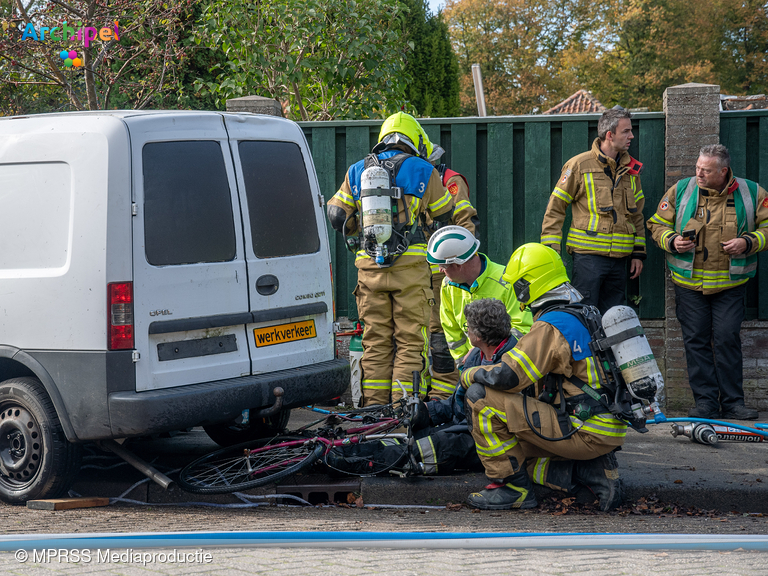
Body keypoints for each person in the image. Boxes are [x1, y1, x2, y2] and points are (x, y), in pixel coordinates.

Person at [460, 243, 626, 511]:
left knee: (480, 400)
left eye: (517, 286)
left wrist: (468, 374)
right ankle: (591, 473)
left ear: (527, 285)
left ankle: (513, 490)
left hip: (583, 428)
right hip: (603, 425)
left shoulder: (551, 325)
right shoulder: (583, 311)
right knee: (512, 451)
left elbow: (508, 375)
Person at [326, 112, 456, 406]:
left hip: (369, 269)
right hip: (410, 270)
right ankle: (403, 409)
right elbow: (445, 215)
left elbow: (336, 214)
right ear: (416, 140)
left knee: (376, 342)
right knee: (411, 341)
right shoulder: (423, 169)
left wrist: (355, 237)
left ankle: (374, 411)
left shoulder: (357, 170)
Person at [326, 298, 521, 477]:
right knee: (405, 438)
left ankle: (355, 465)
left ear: (479, 335)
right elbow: (457, 404)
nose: (467, 331)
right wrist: (426, 411)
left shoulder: (509, 365)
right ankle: (343, 452)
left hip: (484, 441)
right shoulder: (477, 356)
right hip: (462, 427)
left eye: (468, 327)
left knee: (429, 447)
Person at [647, 144, 768, 421]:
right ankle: (705, 404)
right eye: (698, 167)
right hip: (688, 284)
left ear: (723, 171)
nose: (698, 174)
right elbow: (656, 224)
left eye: (706, 170)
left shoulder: (751, 193)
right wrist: (672, 241)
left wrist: (748, 242)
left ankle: (734, 404)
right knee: (695, 342)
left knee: (727, 339)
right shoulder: (681, 190)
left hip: (730, 284)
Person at [540, 107, 646, 314]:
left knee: (615, 319)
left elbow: (637, 215)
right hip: (589, 259)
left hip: (620, 259)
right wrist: (552, 249)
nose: (631, 136)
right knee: (585, 315)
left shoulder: (631, 171)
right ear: (610, 135)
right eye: (626, 131)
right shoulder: (579, 165)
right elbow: (555, 208)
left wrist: (638, 253)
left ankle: (608, 350)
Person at [426, 226, 533, 398]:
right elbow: (452, 331)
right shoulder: (447, 285)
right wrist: (464, 364)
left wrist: (486, 358)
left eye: (443, 266)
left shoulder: (506, 282)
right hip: (472, 370)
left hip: (505, 369)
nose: (440, 271)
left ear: (457, 265)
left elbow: (523, 330)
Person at [424, 158, 480, 400]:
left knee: (438, 330)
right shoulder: (411, 178)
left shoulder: (450, 181)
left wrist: (453, 262)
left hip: (441, 268)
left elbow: (465, 224)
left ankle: (444, 391)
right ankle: (423, 388)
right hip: (415, 267)